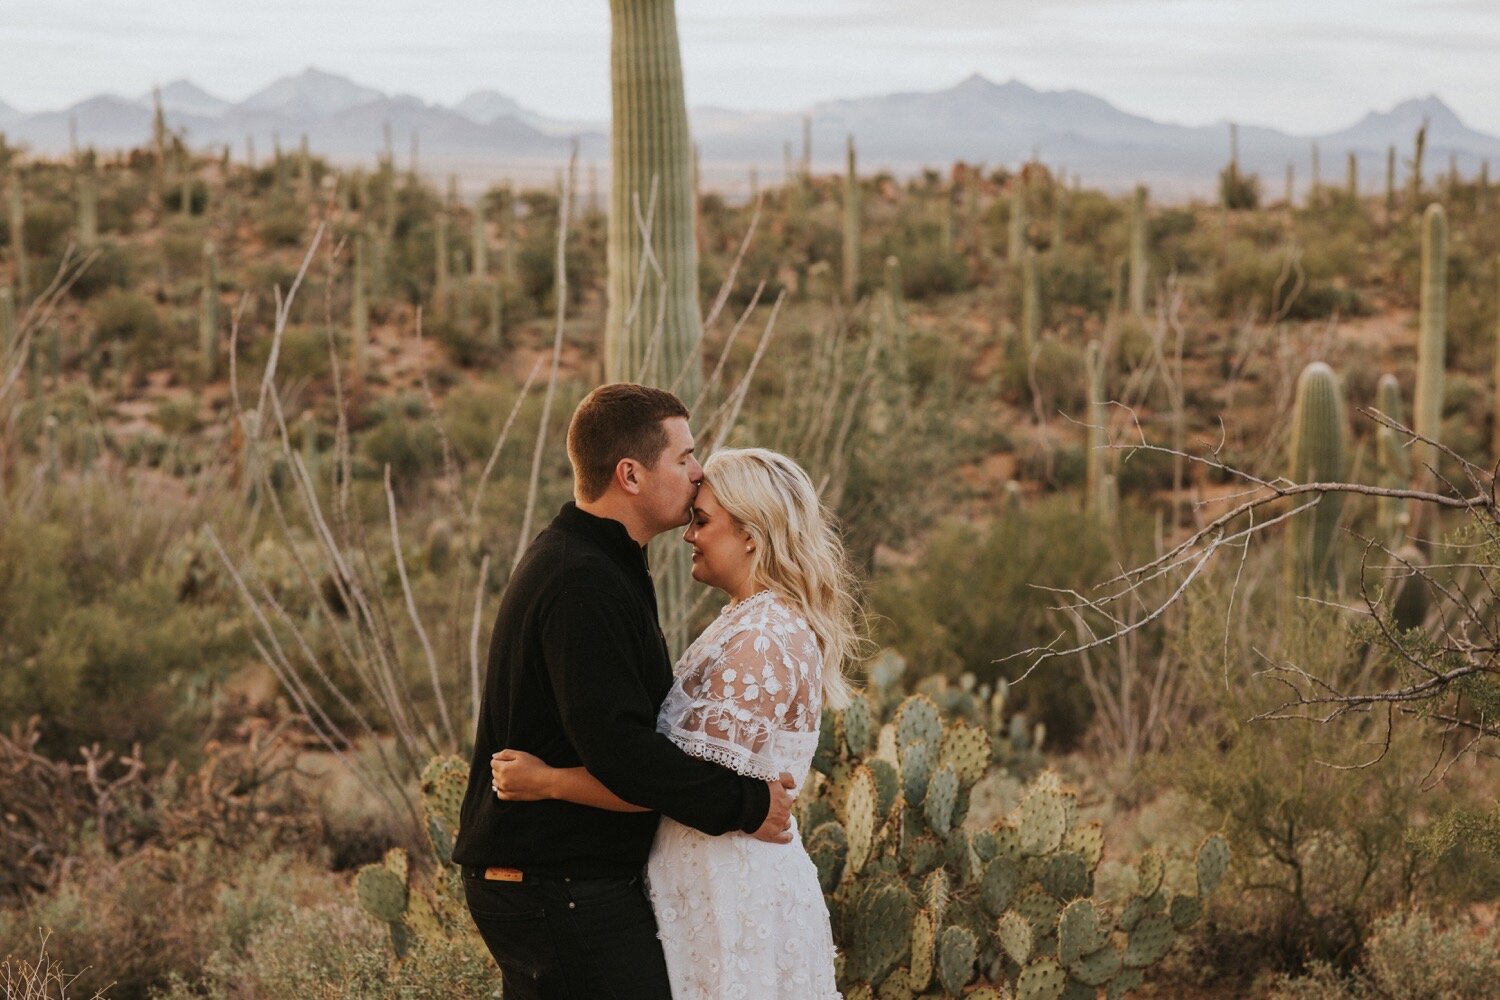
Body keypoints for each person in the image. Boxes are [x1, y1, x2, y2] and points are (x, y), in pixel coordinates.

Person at [450, 384, 798, 1000]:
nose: (699, 473)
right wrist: (746, 805)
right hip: (556, 882)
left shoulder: (599, 563)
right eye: (685, 457)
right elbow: (622, 752)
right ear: (630, 474)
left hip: (561, 879)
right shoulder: (581, 580)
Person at [492, 445, 858, 1000]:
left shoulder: (763, 638)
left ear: (752, 535)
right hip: (705, 880)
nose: (690, 534)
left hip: (728, 890)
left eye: (703, 520)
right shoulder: (751, 621)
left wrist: (547, 782)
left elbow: (672, 785)